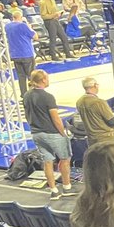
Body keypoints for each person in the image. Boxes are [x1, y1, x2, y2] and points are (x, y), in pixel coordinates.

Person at [24, 69, 74, 199]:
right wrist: (63, 133)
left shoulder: (27, 95)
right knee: (65, 159)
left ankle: (54, 190)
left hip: (36, 133)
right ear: (43, 80)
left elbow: (27, 115)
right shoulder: (48, 97)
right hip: (52, 133)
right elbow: (55, 118)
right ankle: (67, 187)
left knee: (47, 162)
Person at [75, 77, 114, 146]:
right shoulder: (99, 102)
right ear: (95, 85)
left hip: (91, 140)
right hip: (106, 139)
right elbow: (112, 121)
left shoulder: (79, 102)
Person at [5, 8, 37, 97]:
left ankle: (24, 94)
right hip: (26, 53)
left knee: (21, 76)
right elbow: (35, 37)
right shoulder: (23, 25)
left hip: (15, 55)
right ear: (21, 17)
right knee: (31, 75)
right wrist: (29, 26)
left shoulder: (7, 26)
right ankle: (33, 94)